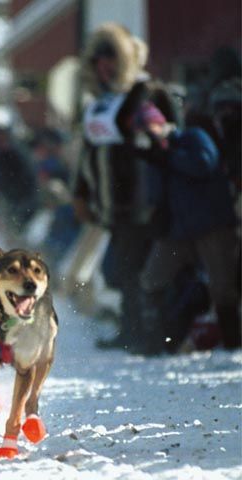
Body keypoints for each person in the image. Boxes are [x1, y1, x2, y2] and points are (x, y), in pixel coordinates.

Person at [72, 23, 163, 351]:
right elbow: (89, 154)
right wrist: (80, 193)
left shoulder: (146, 94)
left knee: (134, 271)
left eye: (111, 60)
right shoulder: (98, 103)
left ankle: (146, 333)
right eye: (98, 62)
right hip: (111, 205)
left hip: (144, 201)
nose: (104, 68)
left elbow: (164, 140)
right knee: (118, 272)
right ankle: (131, 329)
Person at [135, 102, 241, 352]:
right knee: (152, 279)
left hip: (212, 225)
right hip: (178, 232)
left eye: (148, 126)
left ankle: (232, 344)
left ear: (160, 123)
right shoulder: (153, 154)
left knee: (222, 287)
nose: (146, 134)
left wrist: (168, 155)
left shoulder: (192, 137)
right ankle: (158, 341)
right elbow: (155, 196)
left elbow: (205, 163)